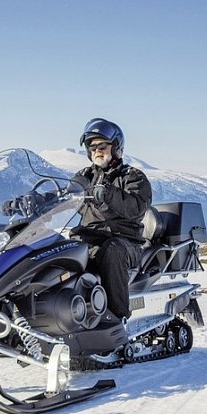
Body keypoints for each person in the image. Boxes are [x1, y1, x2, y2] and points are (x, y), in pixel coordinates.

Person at [70, 118, 152, 320]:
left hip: (126, 242)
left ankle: (116, 319)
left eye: (102, 145)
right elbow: (65, 194)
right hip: (89, 239)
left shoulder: (133, 177)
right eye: (92, 146)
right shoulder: (84, 176)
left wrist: (108, 193)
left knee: (112, 251)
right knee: (57, 252)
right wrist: (34, 199)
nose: (97, 150)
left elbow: (135, 207)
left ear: (116, 147)